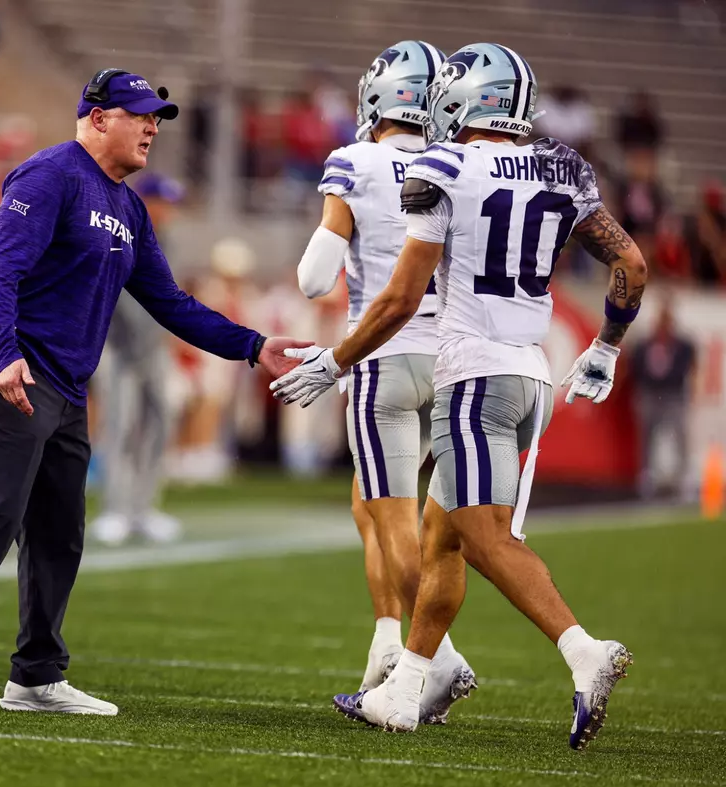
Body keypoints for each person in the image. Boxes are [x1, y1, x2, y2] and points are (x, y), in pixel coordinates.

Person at [0, 68, 311, 714]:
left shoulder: (128, 207)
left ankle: (35, 676)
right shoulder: (49, 175)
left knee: (59, 531)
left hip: (65, 385)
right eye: (140, 115)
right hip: (8, 370)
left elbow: (169, 301)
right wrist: (4, 353)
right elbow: (1, 268)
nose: (151, 129)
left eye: (157, 120)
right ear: (97, 117)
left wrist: (252, 346)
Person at [274, 44, 648, 749]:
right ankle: (408, 690)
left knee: (483, 537)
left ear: (463, 98)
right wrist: (604, 347)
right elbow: (631, 261)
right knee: (442, 536)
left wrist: (335, 359)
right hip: (532, 373)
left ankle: (583, 650)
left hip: (475, 376)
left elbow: (400, 297)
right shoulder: (563, 165)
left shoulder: (441, 168)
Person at [295, 40, 476, 723]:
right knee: (368, 505)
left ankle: (436, 661)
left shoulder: (356, 160)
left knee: (393, 512)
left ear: (378, 94)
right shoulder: (455, 162)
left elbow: (315, 279)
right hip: (455, 359)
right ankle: (384, 643)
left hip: (386, 356)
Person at [90, 172, 184, 546]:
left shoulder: (168, 240)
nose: (170, 211)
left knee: (160, 423)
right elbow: (114, 295)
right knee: (120, 426)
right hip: (118, 347)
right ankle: (115, 510)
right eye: (165, 203)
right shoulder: (118, 231)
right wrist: (136, 344)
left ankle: (143, 508)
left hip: (152, 347)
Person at [630, 296, 696, 499]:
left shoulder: (683, 345)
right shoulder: (645, 344)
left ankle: (684, 477)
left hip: (673, 394)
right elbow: (636, 368)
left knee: (679, 434)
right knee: (647, 435)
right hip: (651, 393)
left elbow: (688, 369)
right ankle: (647, 476)